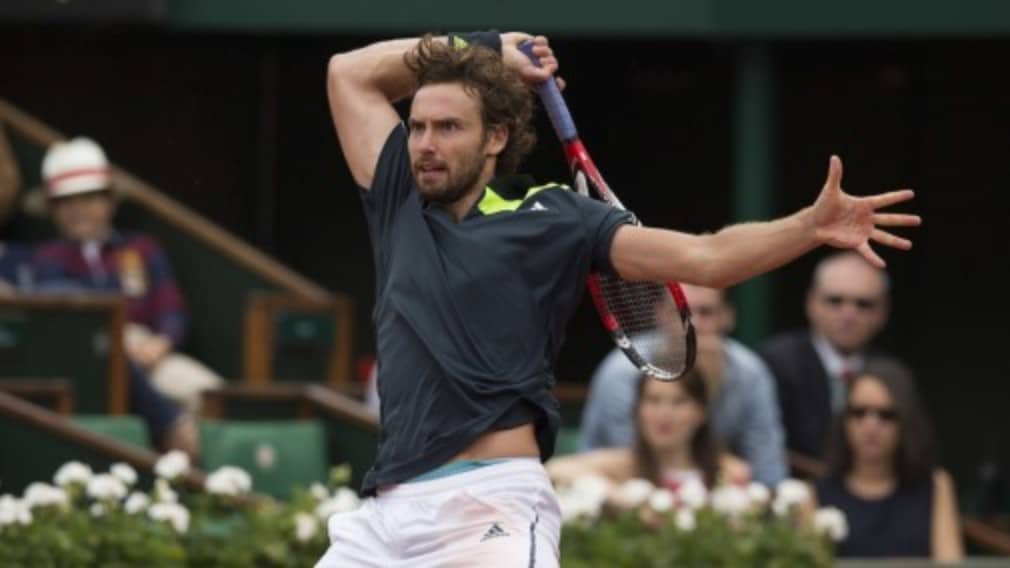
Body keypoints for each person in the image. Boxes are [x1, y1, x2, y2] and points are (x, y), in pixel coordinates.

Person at [319, 30, 919, 567]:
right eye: (418, 126)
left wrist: (808, 227)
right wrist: (485, 46)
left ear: (496, 137)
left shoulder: (556, 220)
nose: (424, 142)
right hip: (385, 513)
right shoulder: (396, 195)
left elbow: (707, 258)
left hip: (489, 508)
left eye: (448, 127)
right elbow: (349, 72)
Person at [32, 137, 217, 456]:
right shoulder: (45, 258)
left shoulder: (141, 248)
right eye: (66, 201)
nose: (78, 209)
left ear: (111, 201)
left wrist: (162, 343)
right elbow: (71, 325)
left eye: (89, 198)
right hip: (93, 356)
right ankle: (168, 430)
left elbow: (171, 309)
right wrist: (120, 340)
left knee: (212, 395)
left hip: (152, 351)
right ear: (53, 210)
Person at [580, 284, 787, 487]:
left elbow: (768, 472)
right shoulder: (623, 371)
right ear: (661, 314)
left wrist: (708, 388)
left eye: (705, 312)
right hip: (617, 492)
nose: (693, 324)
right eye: (682, 312)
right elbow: (641, 465)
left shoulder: (751, 373)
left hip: (720, 498)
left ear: (727, 317)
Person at [760, 251, 912, 460]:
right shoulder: (774, 362)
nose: (848, 314)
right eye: (835, 301)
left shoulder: (894, 375)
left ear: (883, 312)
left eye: (863, 304)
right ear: (811, 303)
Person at [814, 358, 962, 562]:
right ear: (844, 420)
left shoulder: (936, 485)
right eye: (859, 413)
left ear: (905, 421)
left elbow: (950, 562)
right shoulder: (815, 493)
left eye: (886, 415)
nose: (871, 425)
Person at [548, 370, 749, 493]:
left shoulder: (729, 472)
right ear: (638, 410)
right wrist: (622, 497)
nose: (664, 414)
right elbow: (555, 470)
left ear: (701, 412)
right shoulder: (623, 465)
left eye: (679, 402)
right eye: (653, 401)